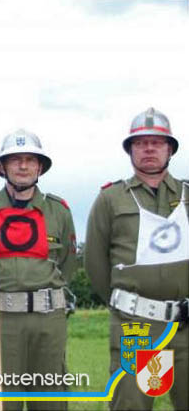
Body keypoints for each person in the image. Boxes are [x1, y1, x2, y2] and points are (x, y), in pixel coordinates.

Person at [85, 107, 188, 411]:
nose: (148, 149)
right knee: (132, 404)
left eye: (156, 143)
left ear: (169, 149)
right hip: (136, 326)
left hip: (186, 325)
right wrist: (131, 303)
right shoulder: (110, 199)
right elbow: (95, 263)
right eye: (140, 143)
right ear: (130, 150)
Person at [0, 129, 77, 411]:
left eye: (31, 159)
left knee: (50, 400)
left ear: (40, 166)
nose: (23, 166)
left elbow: (67, 264)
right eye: (15, 159)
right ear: (3, 167)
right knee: (3, 401)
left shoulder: (59, 211)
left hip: (48, 320)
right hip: (0, 321)